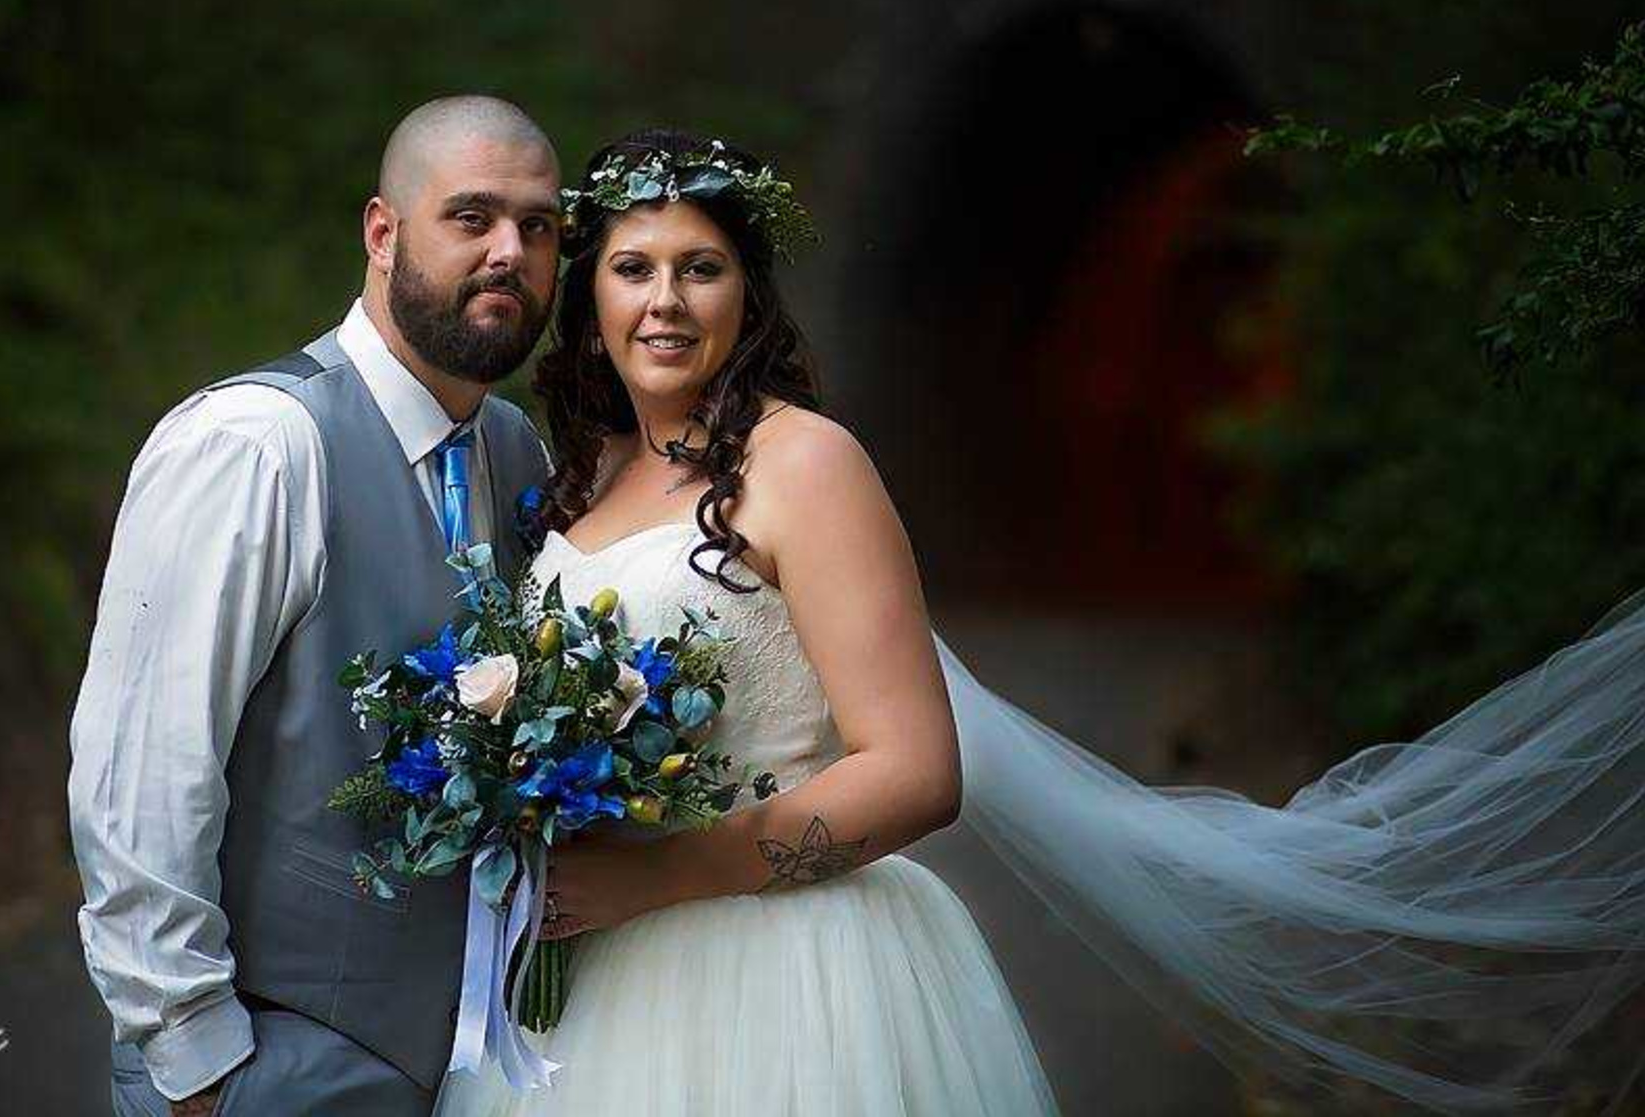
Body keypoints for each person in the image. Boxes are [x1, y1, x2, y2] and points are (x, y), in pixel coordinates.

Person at [430, 129, 1645, 1117]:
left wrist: (665, 874)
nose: (664, 301)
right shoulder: (579, 479)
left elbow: (916, 770)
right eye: (633, 269)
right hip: (592, 979)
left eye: (700, 268)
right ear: (589, 299)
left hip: (776, 973)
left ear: (746, 296)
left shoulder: (805, 466)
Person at [68, 95, 564, 1117]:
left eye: (538, 226)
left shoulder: (517, 451)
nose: (509, 252)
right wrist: (197, 1061)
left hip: (474, 1065)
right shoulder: (255, 444)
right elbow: (144, 769)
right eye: (471, 217)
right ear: (382, 234)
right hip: (273, 1057)